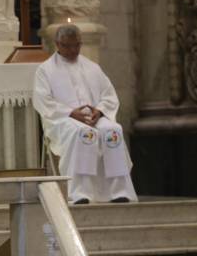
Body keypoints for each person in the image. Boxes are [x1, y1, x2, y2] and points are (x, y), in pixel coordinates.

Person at [33, 24, 137, 203]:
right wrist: (70, 113)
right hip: (63, 120)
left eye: (77, 45)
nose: (73, 50)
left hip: (93, 117)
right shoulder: (45, 70)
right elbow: (43, 101)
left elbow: (109, 95)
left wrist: (100, 111)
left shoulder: (92, 67)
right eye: (68, 46)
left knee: (113, 130)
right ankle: (80, 193)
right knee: (84, 133)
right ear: (57, 44)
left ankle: (119, 192)